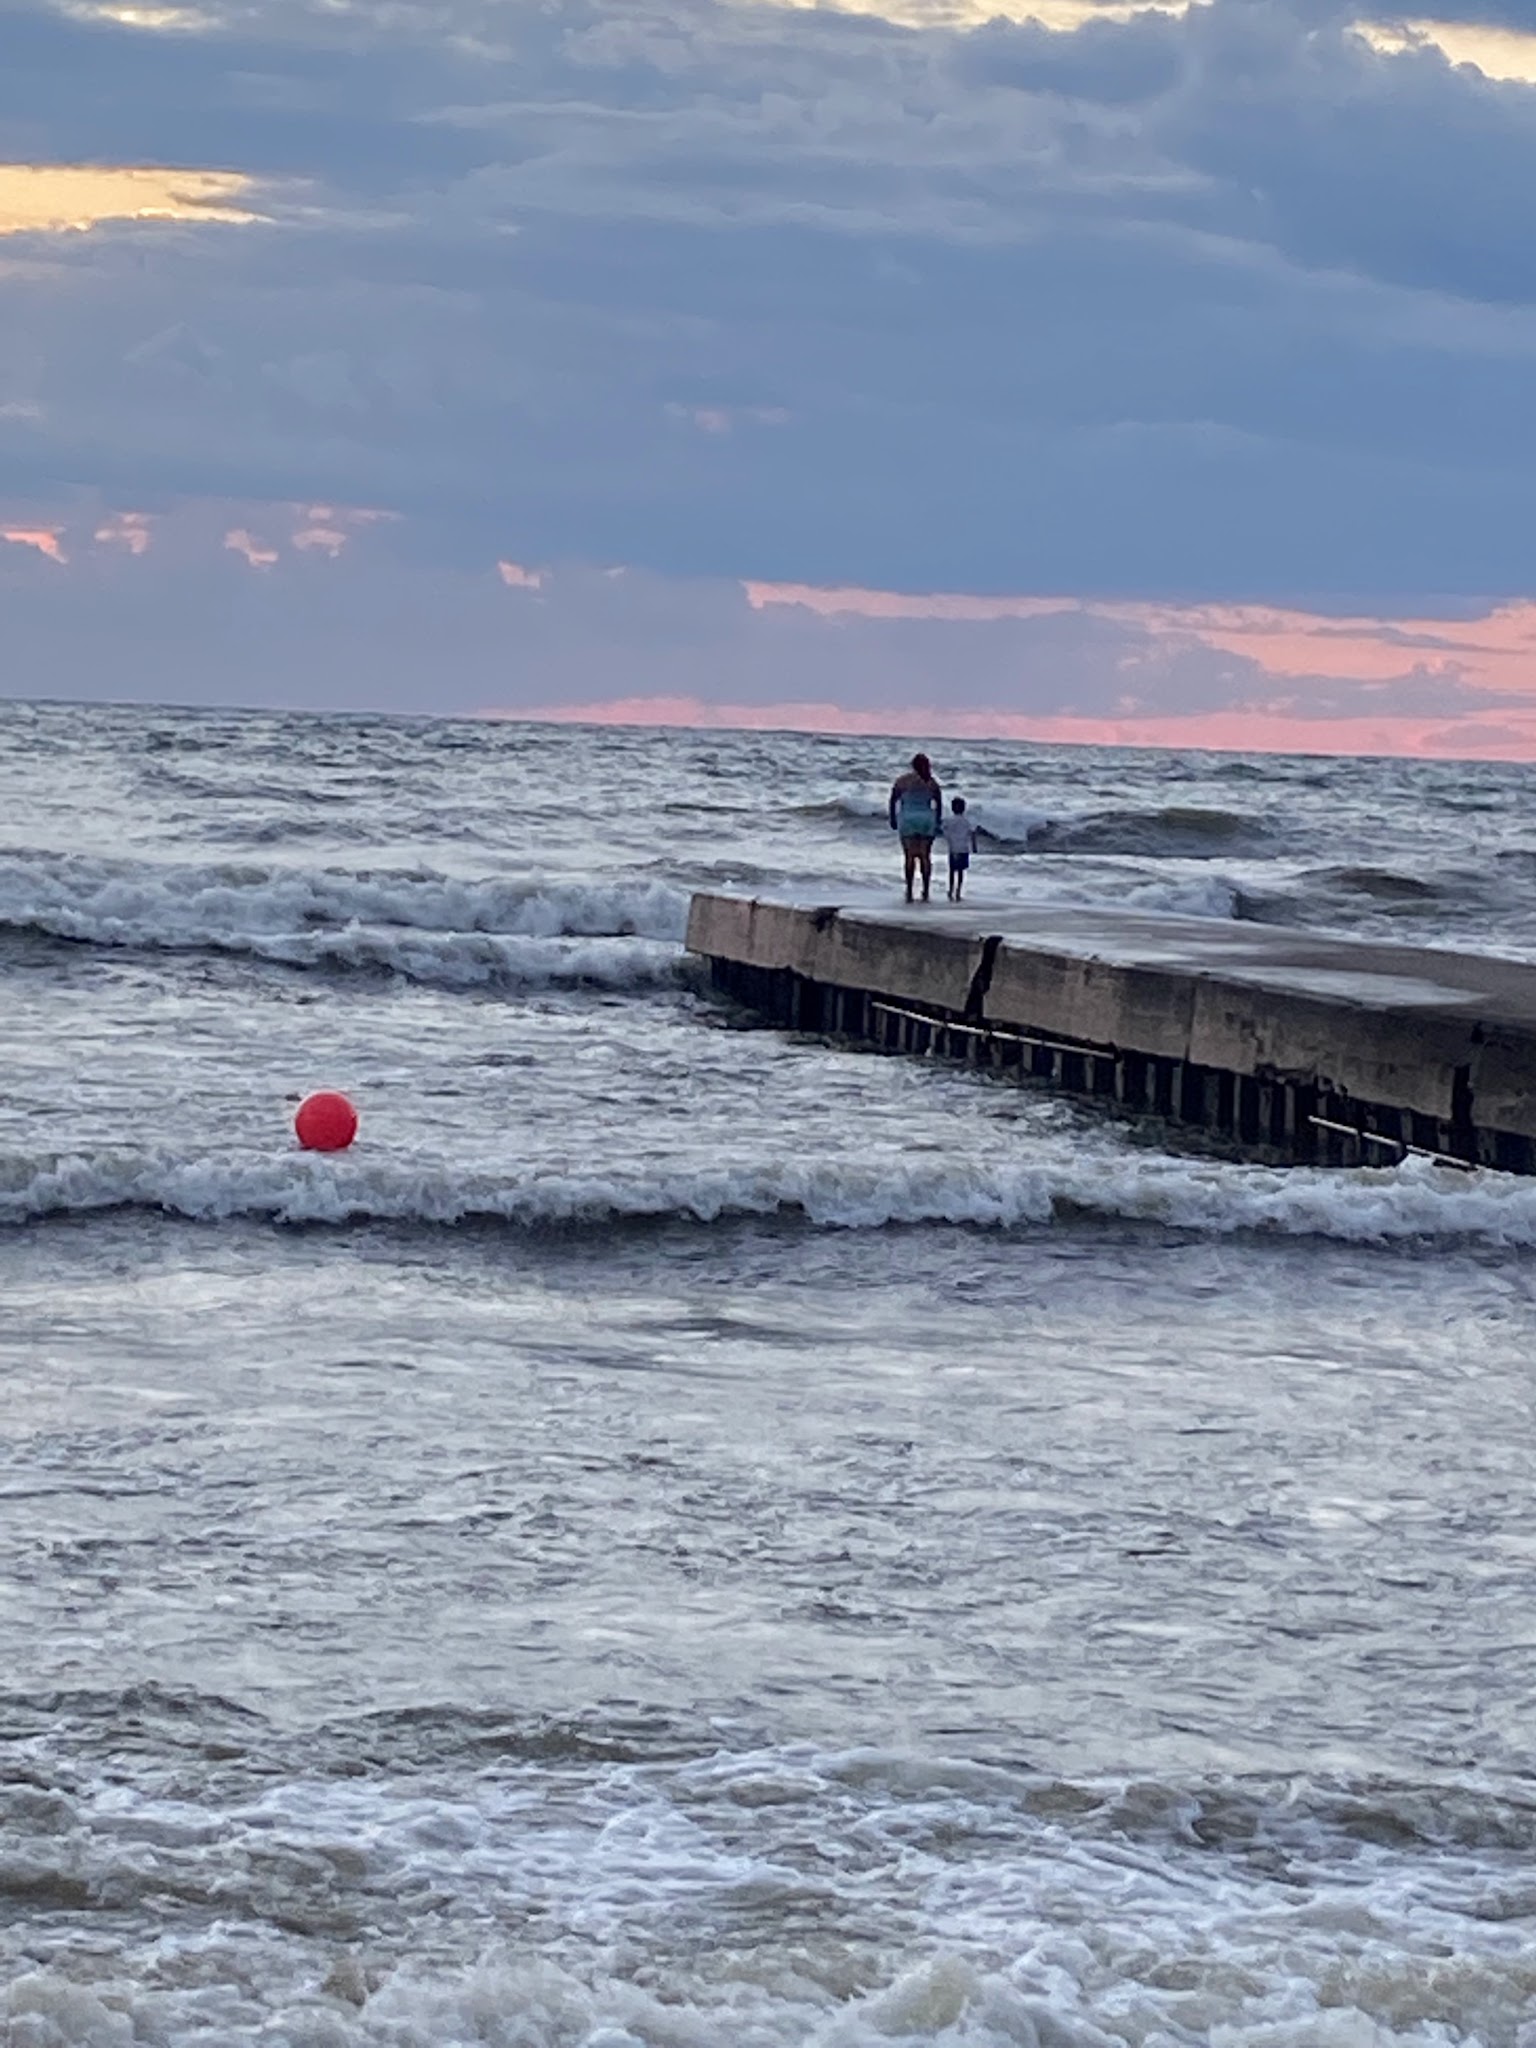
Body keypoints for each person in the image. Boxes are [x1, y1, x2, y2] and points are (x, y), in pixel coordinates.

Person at [888, 753, 942, 903]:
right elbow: (938, 804)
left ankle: (909, 890)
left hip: (908, 820)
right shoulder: (932, 782)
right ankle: (926, 890)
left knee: (909, 857)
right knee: (925, 856)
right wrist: (937, 822)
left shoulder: (902, 781)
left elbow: (893, 800)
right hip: (926, 820)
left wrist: (892, 818)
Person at [941, 795, 977, 902]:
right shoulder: (966, 821)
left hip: (953, 849)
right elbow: (972, 834)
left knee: (952, 871)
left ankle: (950, 890)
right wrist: (974, 846)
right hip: (964, 849)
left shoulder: (949, 820)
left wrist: (948, 839)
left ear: (952, 808)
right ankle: (958, 892)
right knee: (961, 872)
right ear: (964, 808)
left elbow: (943, 830)